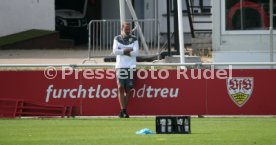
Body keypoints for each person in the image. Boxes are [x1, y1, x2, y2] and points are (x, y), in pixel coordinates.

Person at [113, 22, 139, 118]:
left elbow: (136, 53)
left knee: (128, 88)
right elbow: (115, 51)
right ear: (122, 28)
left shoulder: (134, 39)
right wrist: (126, 50)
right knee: (120, 87)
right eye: (126, 29)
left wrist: (122, 52)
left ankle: (124, 110)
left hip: (131, 66)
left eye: (129, 29)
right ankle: (122, 110)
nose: (128, 31)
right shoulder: (117, 38)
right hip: (120, 66)